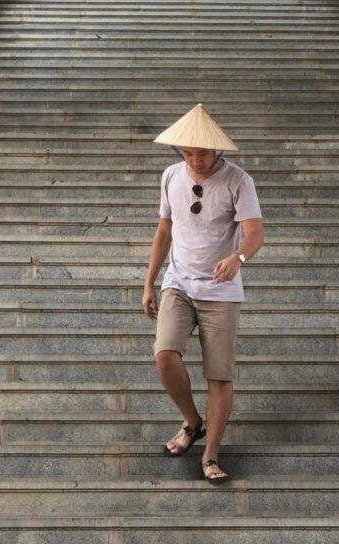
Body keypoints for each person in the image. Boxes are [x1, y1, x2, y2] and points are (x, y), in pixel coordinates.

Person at [142, 104, 264, 482]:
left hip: (220, 291)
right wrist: (149, 280)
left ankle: (210, 455)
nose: (195, 159)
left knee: (219, 376)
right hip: (178, 281)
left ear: (218, 152)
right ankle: (192, 420)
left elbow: (255, 233)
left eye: (203, 153)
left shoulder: (238, 181)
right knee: (164, 355)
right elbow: (164, 231)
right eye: (188, 152)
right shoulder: (170, 176)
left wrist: (238, 257)